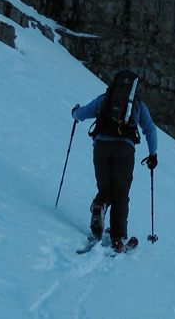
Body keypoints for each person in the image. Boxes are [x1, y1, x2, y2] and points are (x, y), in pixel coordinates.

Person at [72, 70, 158, 252]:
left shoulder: (104, 99)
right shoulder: (137, 105)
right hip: (124, 150)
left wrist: (75, 112)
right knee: (120, 192)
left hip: (101, 146)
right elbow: (150, 130)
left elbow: (82, 114)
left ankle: (100, 205)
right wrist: (153, 154)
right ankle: (117, 239)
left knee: (105, 188)